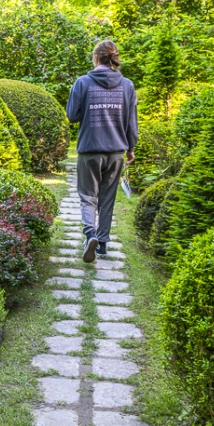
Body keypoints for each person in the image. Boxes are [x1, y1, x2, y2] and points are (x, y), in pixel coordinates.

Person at [66, 40, 138, 263]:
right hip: (116, 150)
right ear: (114, 58)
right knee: (107, 198)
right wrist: (131, 148)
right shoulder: (127, 85)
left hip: (90, 150)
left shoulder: (83, 82)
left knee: (88, 197)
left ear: (96, 58)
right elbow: (131, 121)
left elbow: (72, 115)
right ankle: (103, 245)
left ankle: (90, 235)